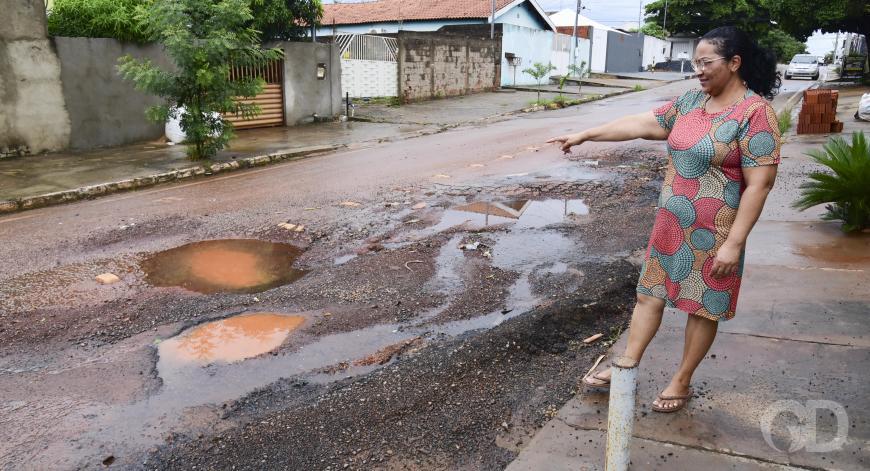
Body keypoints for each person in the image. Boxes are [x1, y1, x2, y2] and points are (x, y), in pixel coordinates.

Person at [548, 26, 782, 412]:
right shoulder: (690, 102)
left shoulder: (756, 114)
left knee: (702, 306)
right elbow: (642, 124)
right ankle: (627, 363)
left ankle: (681, 381)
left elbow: (760, 184)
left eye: (706, 63)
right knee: (648, 295)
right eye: (695, 63)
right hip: (671, 224)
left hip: (716, 232)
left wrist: (735, 243)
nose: (698, 70)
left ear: (734, 63)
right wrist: (586, 134)